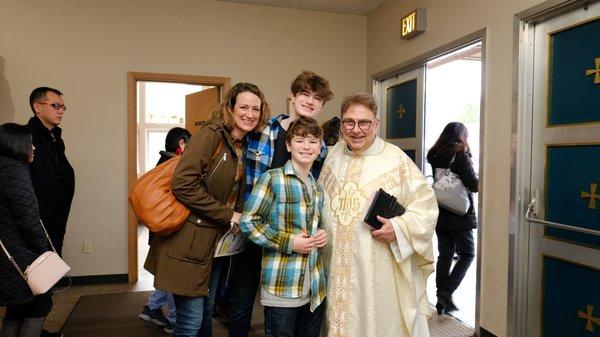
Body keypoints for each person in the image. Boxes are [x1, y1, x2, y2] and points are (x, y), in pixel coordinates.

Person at [144, 82, 270, 337]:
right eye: (243, 107)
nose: (250, 114)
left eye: (256, 109)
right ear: (230, 108)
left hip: (216, 243)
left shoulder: (244, 144)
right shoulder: (212, 133)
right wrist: (229, 215)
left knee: (206, 311)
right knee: (190, 323)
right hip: (188, 242)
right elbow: (183, 184)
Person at [318, 93, 438, 337]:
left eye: (364, 123)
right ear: (341, 124)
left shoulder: (396, 160)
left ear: (376, 124)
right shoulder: (330, 157)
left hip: (376, 271)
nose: (356, 130)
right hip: (334, 266)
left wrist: (400, 228)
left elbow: (426, 207)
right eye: (349, 122)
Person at [229, 70, 333, 337]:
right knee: (242, 299)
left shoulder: (319, 146)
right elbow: (235, 164)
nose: (310, 102)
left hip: (291, 233)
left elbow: (315, 189)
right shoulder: (263, 129)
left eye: (317, 99)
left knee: (290, 302)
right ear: (293, 97)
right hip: (255, 226)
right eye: (305, 95)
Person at [0, 123, 53, 337]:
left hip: (7, 258)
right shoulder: (15, 172)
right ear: (17, 144)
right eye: (30, 143)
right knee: (40, 304)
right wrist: (45, 252)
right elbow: (29, 221)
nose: (33, 148)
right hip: (21, 257)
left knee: (16, 309)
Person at [139, 127, 192, 334]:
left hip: (158, 229)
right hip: (170, 229)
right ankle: (174, 320)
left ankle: (152, 308)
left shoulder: (161, 163)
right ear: (182, 144)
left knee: (164, 272)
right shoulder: (174, 166)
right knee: (172, 276)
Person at [426, 122, 478, 315]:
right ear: (461, 136)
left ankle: (441, 298)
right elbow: (473, 185)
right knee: (468, 253)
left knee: (445, 255)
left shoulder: (435, 153)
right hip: (459, 215)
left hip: (441, 211)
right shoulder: (460, 155)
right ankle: (446, 292)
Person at [27, 87, 75, 256]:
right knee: (37, 269)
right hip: (36, 219)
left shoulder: (55, 138)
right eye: (56, 106)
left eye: (63, 107)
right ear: (37, 107)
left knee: (51, 266)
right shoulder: (27, 137)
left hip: (57, 216)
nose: (61, 111)